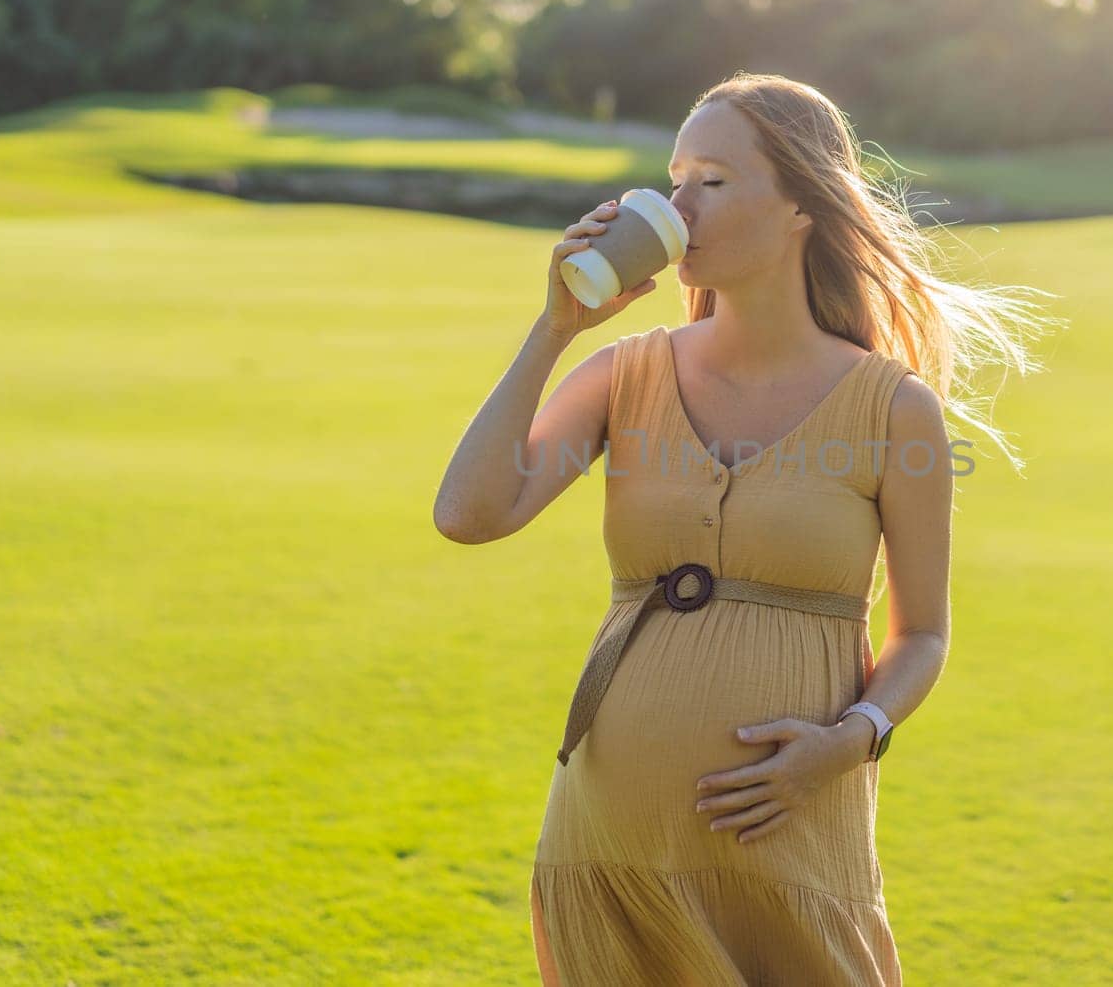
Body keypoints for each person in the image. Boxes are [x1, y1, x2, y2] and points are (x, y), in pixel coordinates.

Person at [433, 71, 1059, 985]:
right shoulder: (624, 373)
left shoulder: (895, 409)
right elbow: (469, 513)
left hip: (794, 849)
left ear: (802, 206)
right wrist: (555, 327)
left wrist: (850, 740)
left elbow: (922, 634)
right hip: (609, 843)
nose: (675, 206)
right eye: (674, 177)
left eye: (712, 182)